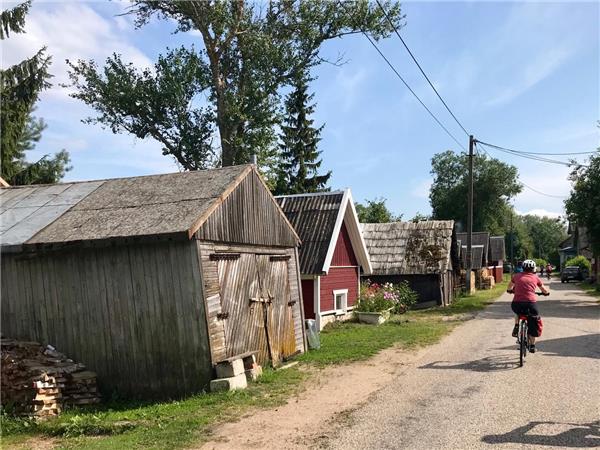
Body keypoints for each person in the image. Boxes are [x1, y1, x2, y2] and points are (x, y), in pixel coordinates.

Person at [507, 259, 549, 353]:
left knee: (518, 312)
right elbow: (544, 290)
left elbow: (509, 287)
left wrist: (509, 291)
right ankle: (533, 345)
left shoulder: (516, 276)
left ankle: (517, 325)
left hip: (517, 304)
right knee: (533, 321)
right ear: (533, 268)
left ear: (523, 268)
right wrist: (546, 293)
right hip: (530, 304)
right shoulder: (535, 277)